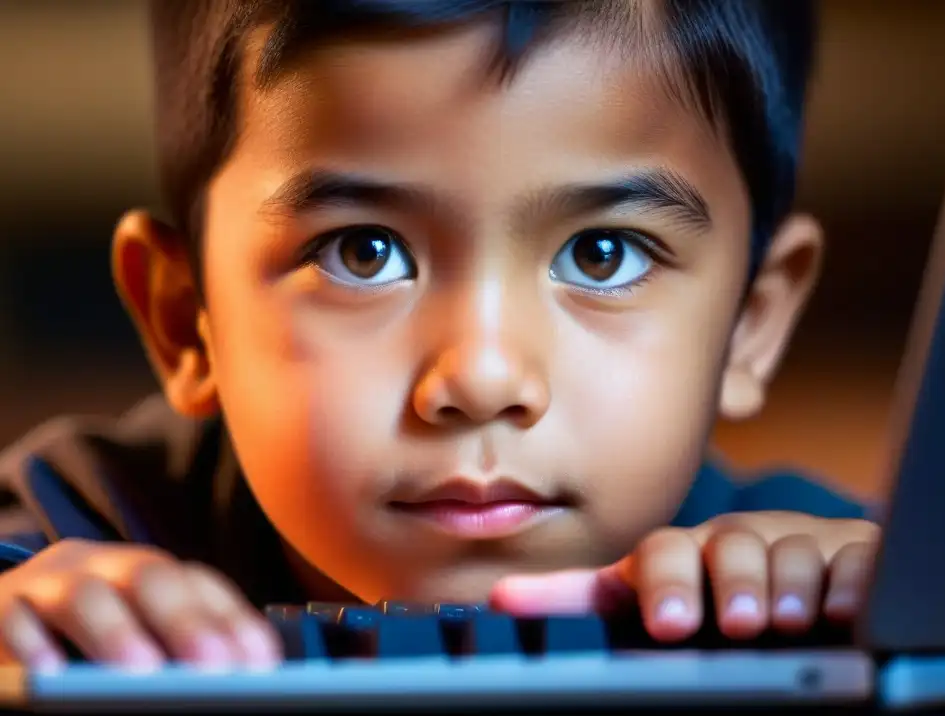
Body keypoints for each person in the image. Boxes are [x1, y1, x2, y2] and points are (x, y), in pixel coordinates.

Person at [0, 0, 878, 672]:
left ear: (750, 325)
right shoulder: (85, 524)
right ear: (186, 319)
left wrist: (904, 611)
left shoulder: (790, 579)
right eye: (363, 252)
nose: (484, 377)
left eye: (603, 256)